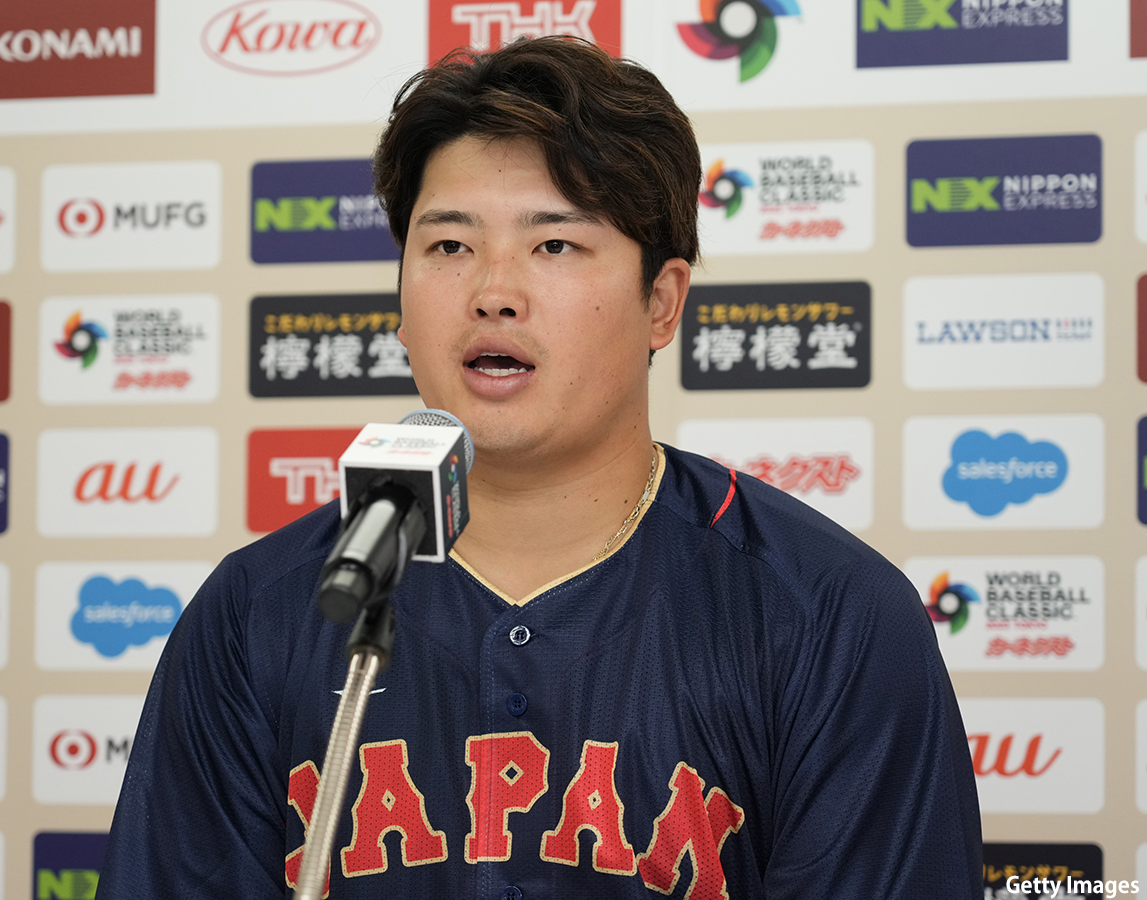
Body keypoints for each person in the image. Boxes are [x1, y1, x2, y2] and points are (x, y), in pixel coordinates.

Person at [96, 36, 982, 899]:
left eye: (554, 245)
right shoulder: (261, 612)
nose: (493, 292)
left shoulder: (828, 618)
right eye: (449, 246)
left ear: (661, 302)